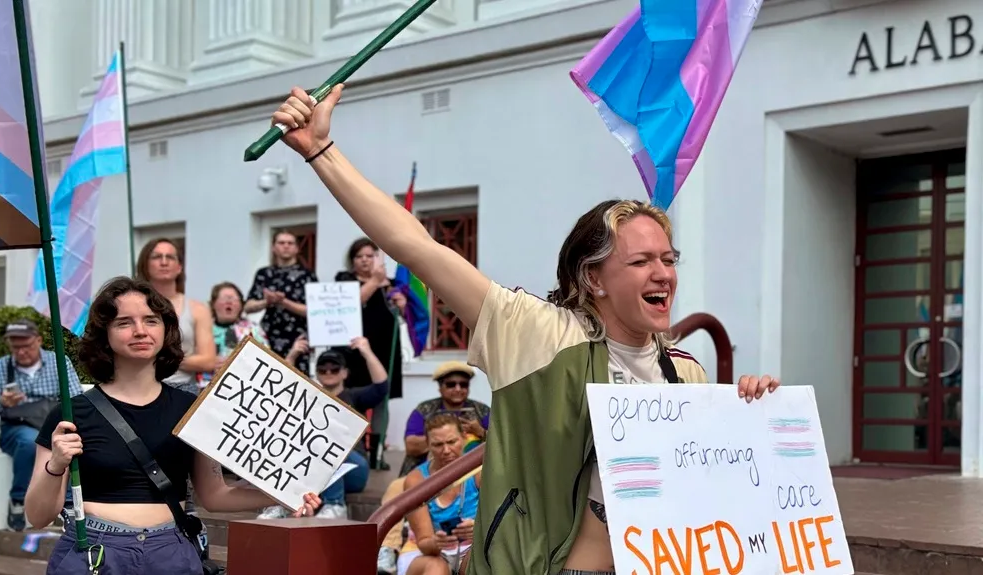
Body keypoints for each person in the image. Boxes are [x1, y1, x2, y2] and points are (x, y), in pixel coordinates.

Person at [270, 86, 782, 575]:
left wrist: (750, 414)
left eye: (669, 260)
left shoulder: (687, 373)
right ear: (593, 278)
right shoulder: (534, 333)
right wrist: (321, 151)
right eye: (641, 261)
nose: (663, 274)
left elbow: (708, 489)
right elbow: (417, 247)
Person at [25, 277, 322, 574]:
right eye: (124, 322)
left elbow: (214, 495)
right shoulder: (70, 414)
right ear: (105, 334)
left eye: (151, 320)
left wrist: (285, 494)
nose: (140, 331)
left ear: (166, 329)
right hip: (97, 553)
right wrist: (56, 465)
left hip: (171, 552)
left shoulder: (192, 409)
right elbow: (38, 517)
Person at [258, 336, 386, 520]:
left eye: (334, 369)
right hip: (313, 473)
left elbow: (381, 387)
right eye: (322, 369)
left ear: (345, 373)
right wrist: (292, 354)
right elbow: (279, 387)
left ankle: (335, 505)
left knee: (322, 440)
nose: (328, 372)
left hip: (353, 469)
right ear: (316, 373)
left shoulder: (354, 396)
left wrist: (366, 351)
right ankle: (282, 504)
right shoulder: (308, 397)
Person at [0, 319, 83, 531]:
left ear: (38, 340)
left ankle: (68, 503)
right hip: (16, 429)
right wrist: (2, 401)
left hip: (52, 427)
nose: (21, 351)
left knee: (70, 445)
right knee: (28, 442)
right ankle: (18, 500)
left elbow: (76, 399)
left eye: (26, 345)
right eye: (16, 347)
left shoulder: (58, 362)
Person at [335, 237, 405, 471]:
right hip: (354, 350)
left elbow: (404, 316)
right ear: (352, 260)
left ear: (377, 258)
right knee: (352, 398)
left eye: (369, 255)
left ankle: (377, 454)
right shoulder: (344, 279)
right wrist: (375, 281)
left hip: (384, 349)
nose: (365, 260)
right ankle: (355, 453)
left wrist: (402, 304)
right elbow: (350, 304)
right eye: (359, 256)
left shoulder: (391, 284)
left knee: (381, 399)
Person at [399, 414, 480, 575]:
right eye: (438, 445)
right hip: (427, 553)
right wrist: (437, 542)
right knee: (436, 568)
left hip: (471, 547)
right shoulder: (417, 479)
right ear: (428, 445)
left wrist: (478, 528)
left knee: (478, 559)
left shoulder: (479, 471)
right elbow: (424, 542)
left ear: (464, 438)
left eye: (452, 442)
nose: (446, 450)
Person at [135, 237, 217, 394]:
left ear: (179, 267)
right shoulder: (132, 306)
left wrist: (157, 357)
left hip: (183, 389)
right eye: (157, 257)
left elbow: (208, 361)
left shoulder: (198, 309)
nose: (164, 262)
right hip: (139, 387)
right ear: (145, 264)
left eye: (170, 257)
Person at [245, 231, 318, 374]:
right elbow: (248, 306)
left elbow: (314, 311)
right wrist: (267, 302)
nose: (286, 246)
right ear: (273, 247)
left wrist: (284, 302)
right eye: (281, 243)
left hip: (298, 337)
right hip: (268, 335)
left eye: (290, 243)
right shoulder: (264, 273)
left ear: (297, 248)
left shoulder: (307, 275)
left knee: (296, 379)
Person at [401, 362, 489, 476]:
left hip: (474, 474)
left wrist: (481, 432)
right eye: (451, 384)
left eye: (463, 384)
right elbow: (411, 446)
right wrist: (447, 436)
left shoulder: (482, 410)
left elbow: (503, 443)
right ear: (440, 388)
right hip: (427, 475)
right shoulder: (424, 410)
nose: (458, 389)